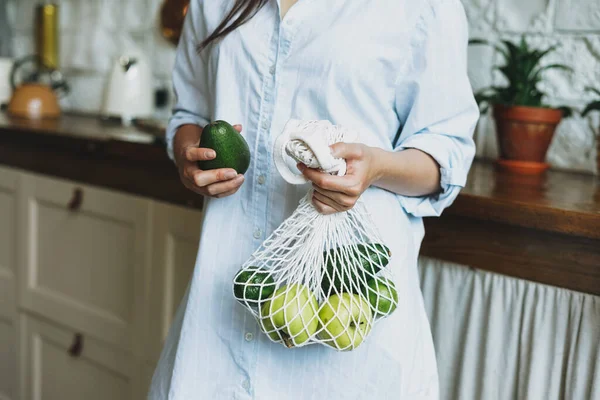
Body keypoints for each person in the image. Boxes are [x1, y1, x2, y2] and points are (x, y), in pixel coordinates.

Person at [148, 0, 479, 398]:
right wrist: (190, 156)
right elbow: (190, 112)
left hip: (347, 305)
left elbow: (445, 157)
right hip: (218, 309)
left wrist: (374, 166)